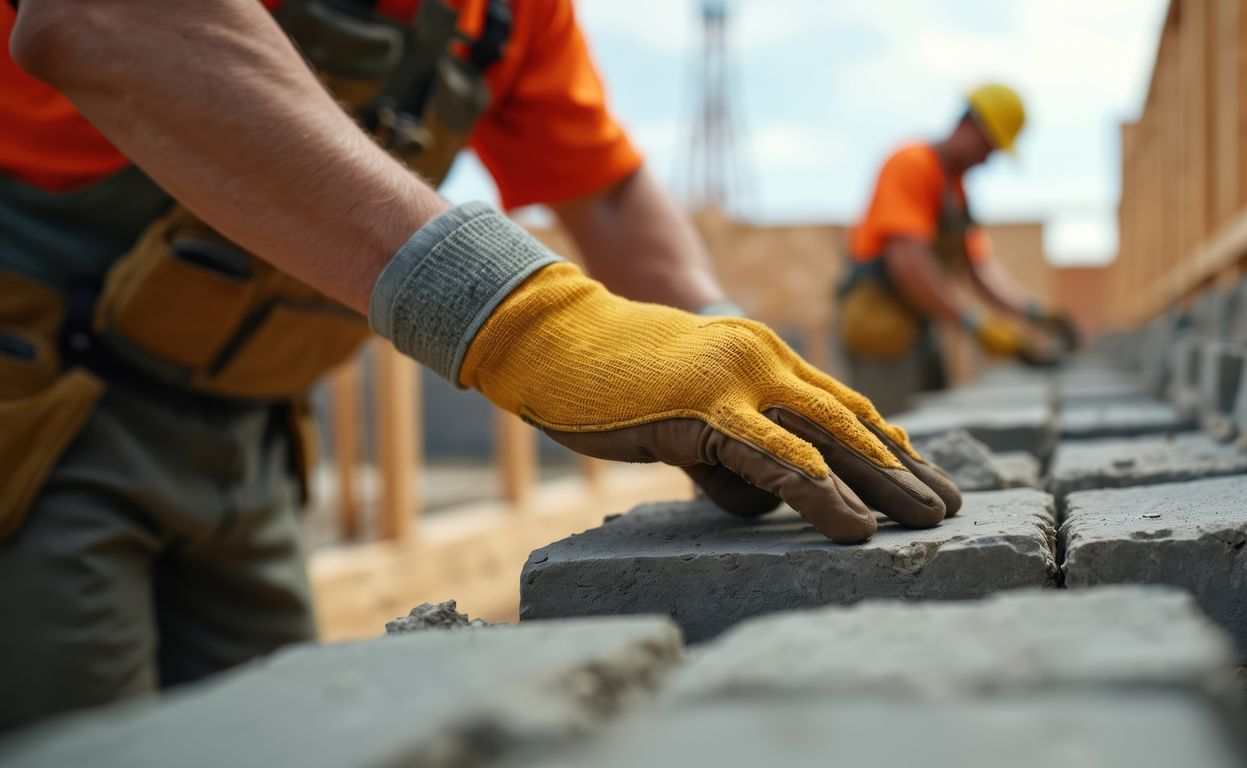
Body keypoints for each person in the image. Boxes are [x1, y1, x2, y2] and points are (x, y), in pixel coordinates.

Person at [0, 0, 959, 732]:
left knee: (269, 728)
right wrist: (524, 322)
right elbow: (101, 20)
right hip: (36, 417)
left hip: (247, 436)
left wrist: (714, 341)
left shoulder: (501, 17)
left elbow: (610, 194)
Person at [838, 83, 1078, 415]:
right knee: (887, 434)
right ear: (970, 124)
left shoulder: (957, 193)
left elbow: (979, 269)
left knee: (928, 422)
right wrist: (973, 322)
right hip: (878, 326)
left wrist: (1034, 312)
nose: (988, 158)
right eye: (989, 145)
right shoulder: (910, 163)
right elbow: (907, 259)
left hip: (916, 327)